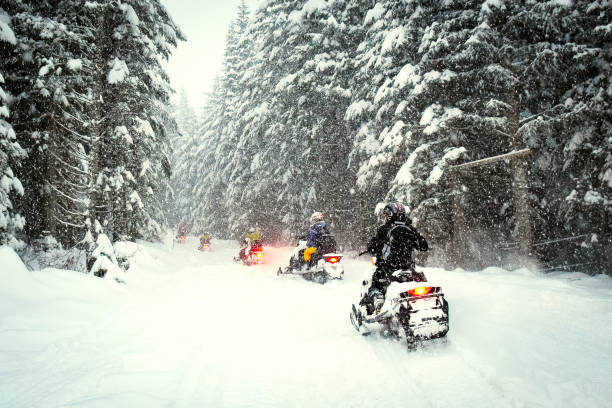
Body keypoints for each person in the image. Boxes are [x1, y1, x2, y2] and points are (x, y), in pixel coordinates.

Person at [360, 202, 428, 315]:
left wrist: (372, 247)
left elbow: (372, 247)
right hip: (408, 269)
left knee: (375, 285)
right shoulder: (411, 229)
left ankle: (378, 301)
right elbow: (423, 246)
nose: (384, 218)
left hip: (387, 269)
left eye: (386, 216)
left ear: (390, 215)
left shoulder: (384, 229)